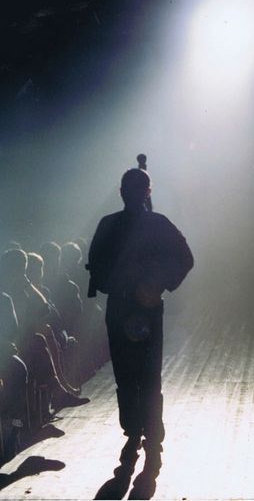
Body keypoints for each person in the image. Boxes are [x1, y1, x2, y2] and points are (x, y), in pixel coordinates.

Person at [87, 167, 193, 471]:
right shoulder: (156, 224)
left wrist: (153, 284)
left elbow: (96, 266)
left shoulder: (113, 224)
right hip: (136, 309)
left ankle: (138, 433)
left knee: (133, 376)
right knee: (142, 376)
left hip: (128, 309)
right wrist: (155, 284)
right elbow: (184, 258)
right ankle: (145, 435)